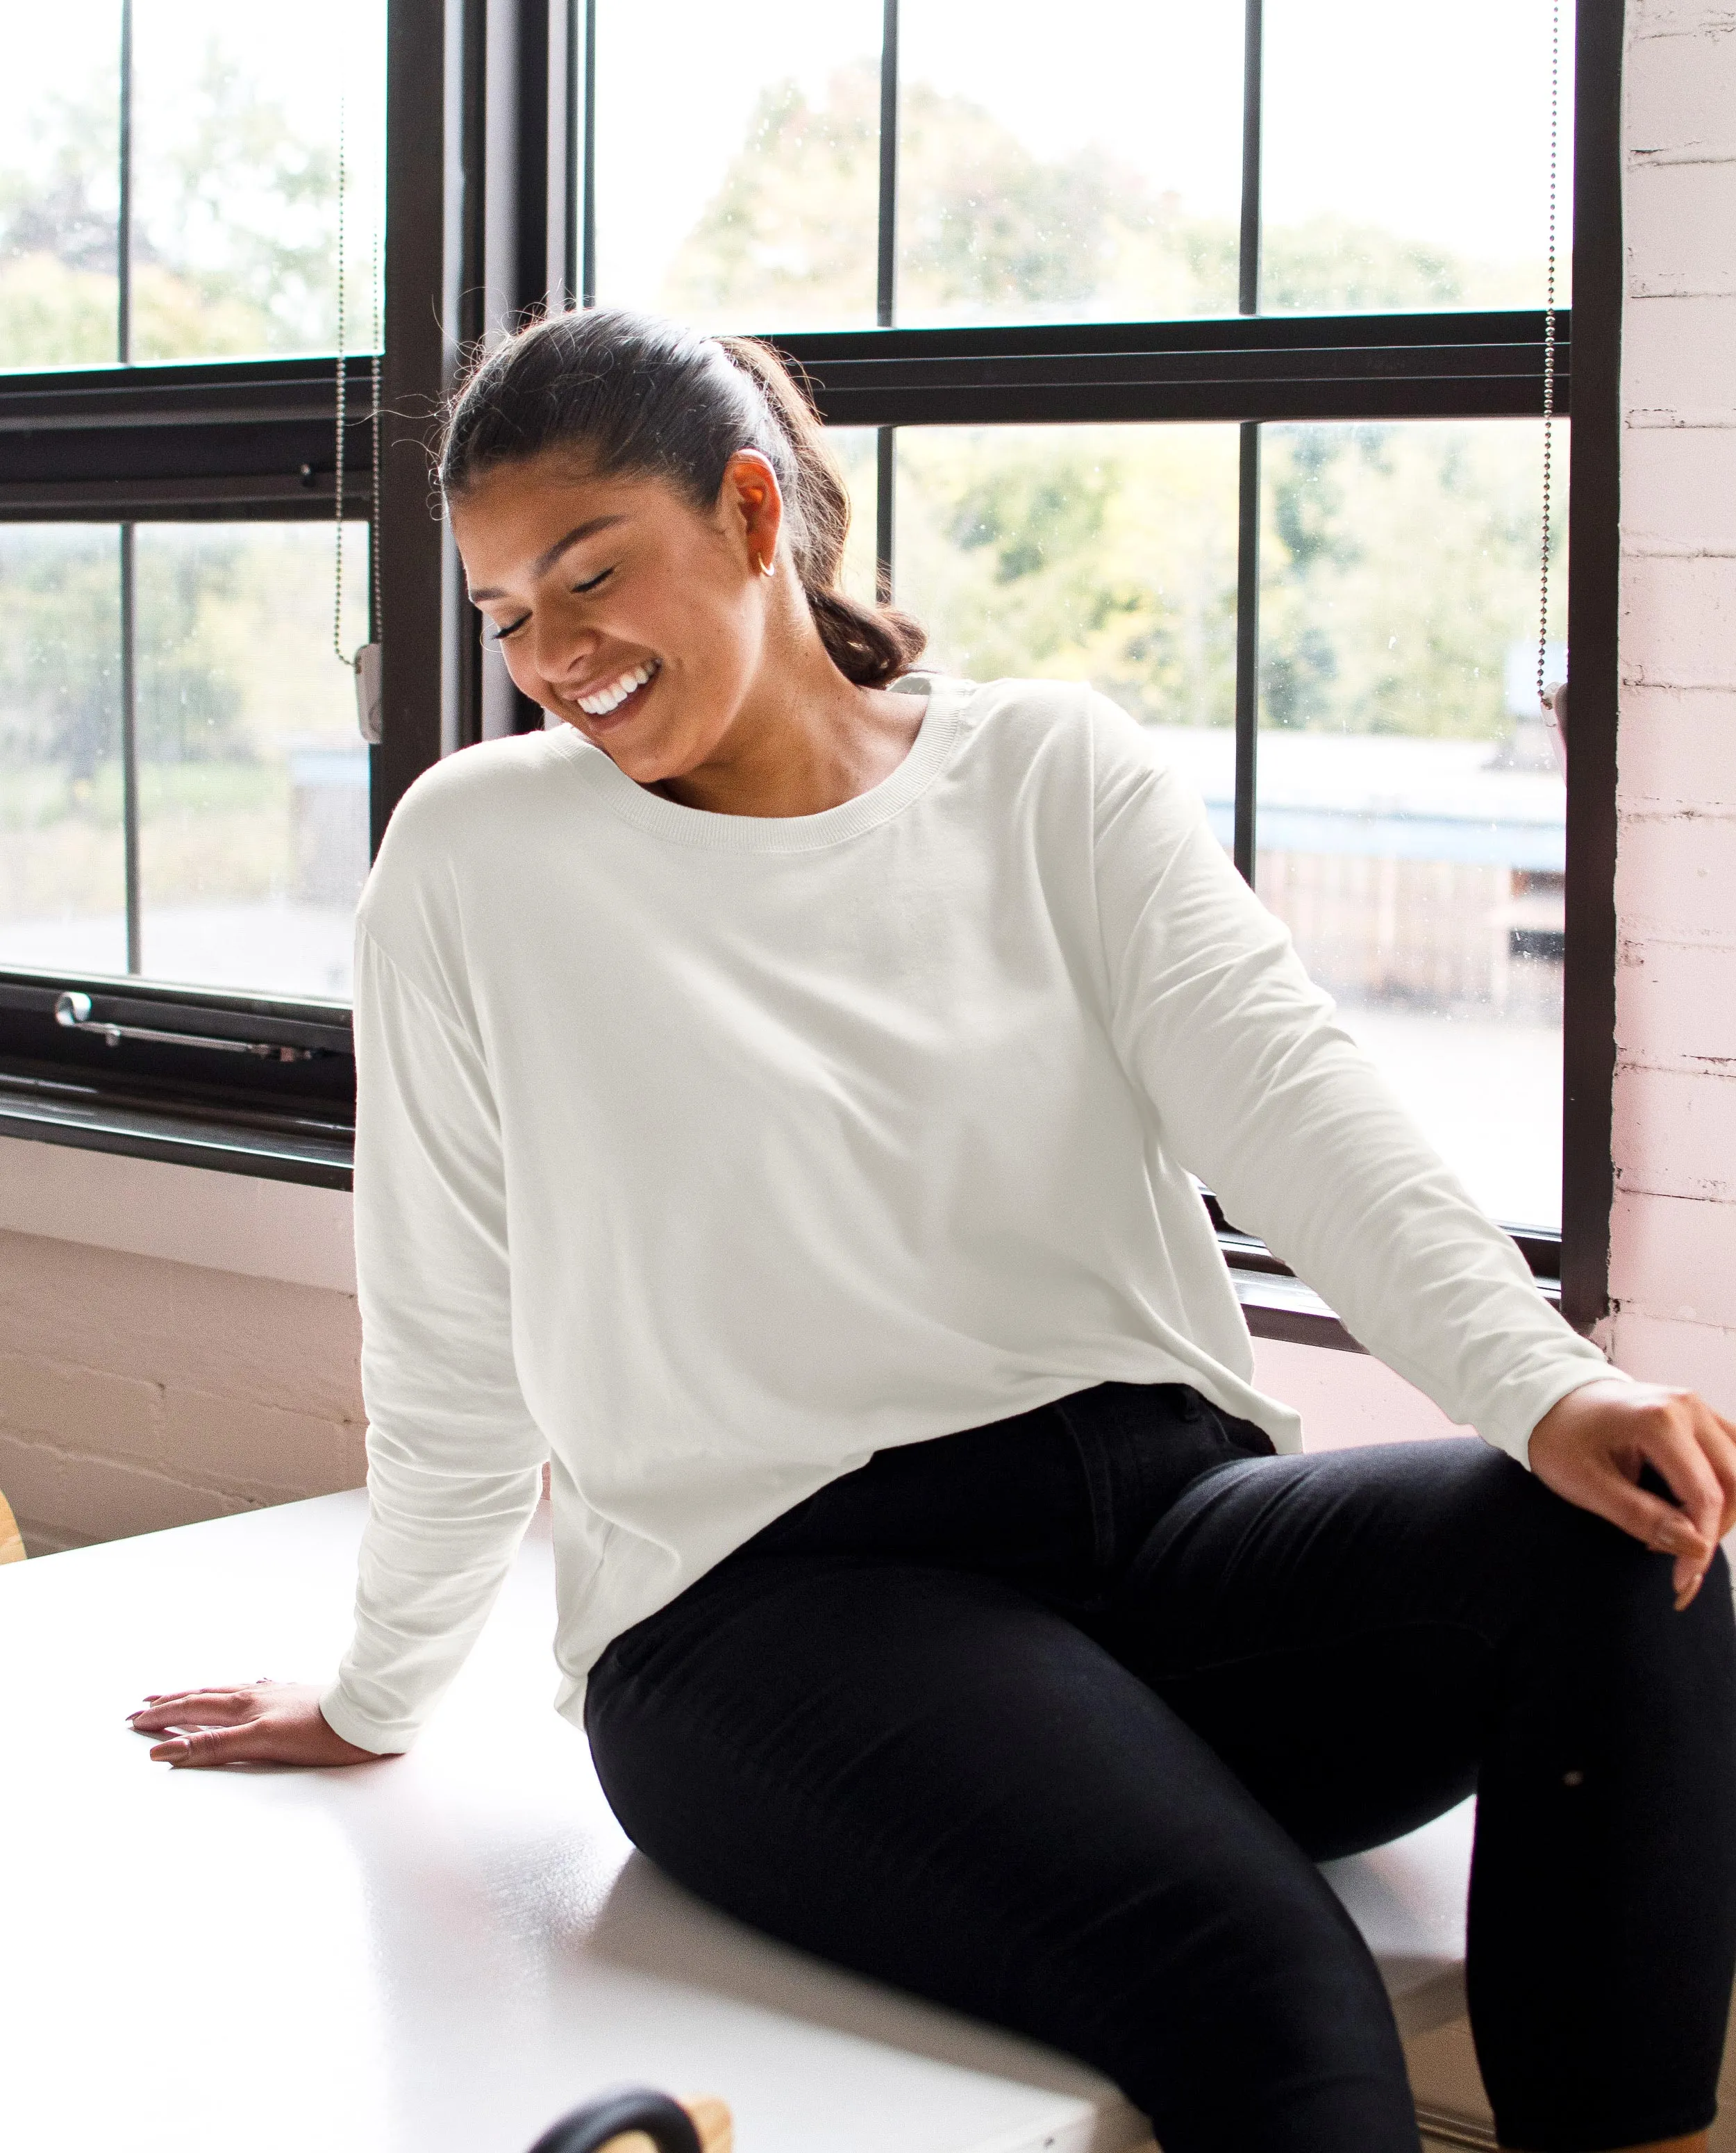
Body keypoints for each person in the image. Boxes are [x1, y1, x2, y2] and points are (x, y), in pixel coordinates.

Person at [130, 310, 1736, 2153]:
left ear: (747, 511)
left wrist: (1545, 1391)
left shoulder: (1048, 773)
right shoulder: (478, 860)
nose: (550, 656)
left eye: (588, 576)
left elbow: (1299, 1109)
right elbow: (442, 1321)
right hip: (769, 1612)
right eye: (503, 613)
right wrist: (378, 1683)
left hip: (1155, 1539)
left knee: (1619, 1540)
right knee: (1271, 1989)